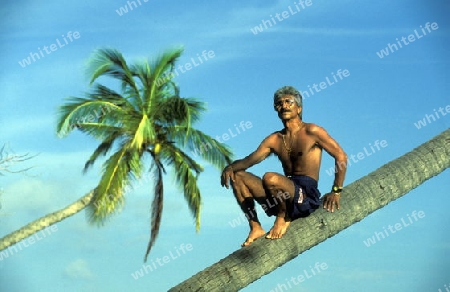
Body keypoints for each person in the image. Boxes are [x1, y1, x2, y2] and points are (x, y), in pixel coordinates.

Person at [221, 86, 347, 247]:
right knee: (237, 175)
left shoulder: (312, 131)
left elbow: (341, 156)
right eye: (279, 103)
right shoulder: (274, 139)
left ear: (299, 108)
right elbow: (249, 161)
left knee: (270, 178)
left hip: (305, 194)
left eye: (289, 102)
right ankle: (255, 227)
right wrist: (230, 168)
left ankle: (283, 217)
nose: (284, 105)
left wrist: (336, 191)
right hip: (282, 193)